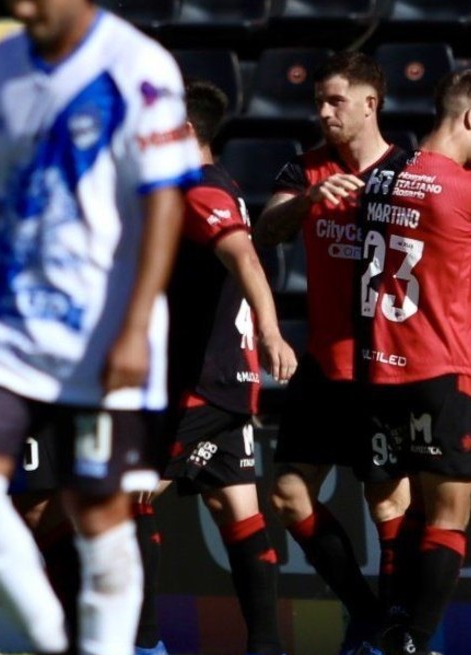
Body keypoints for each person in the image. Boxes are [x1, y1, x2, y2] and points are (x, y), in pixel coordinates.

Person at [0, 1, 200, 654]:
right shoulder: (4, 62)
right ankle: (55, 641)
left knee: (102, 514)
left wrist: (137, 325)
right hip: (13, 318)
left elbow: (165, 201)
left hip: (105, 322)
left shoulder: (138, 65)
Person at [253, 51, 412, 655]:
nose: (323, 112)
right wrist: (310, 203)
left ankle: (397, 630)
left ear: (371, 103)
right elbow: (266, 231)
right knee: (289, 494)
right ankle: (365, 612)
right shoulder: (306, 170)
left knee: (387, 498)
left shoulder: (410, 172)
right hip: (323, 365)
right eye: (318, 101)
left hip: (386, 364)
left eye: (335, 101)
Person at [133, 80, 298, 655]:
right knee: (239, 511)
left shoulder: (201, 192)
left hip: (200, 388)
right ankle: (268, 645)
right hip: (226, 384)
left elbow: (246, 257)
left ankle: (142, 644)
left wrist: (273, 330)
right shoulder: (211, 187)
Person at [352, 69, 471, 655]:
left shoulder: (378, 177)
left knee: (399, 514)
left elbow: (444, 278)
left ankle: (388, 629)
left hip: (377, 371)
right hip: (438, 374)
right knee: (448, 518)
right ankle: (413, 641)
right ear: (470, 117)